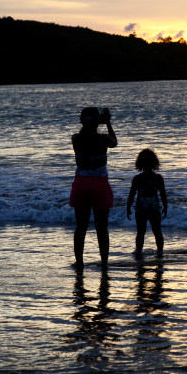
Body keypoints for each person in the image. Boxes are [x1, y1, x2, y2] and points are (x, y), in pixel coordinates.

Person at [69, 107, 117, 269]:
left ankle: (79, 262)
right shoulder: (103, 139)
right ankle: (104, 262)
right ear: (97, 122)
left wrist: (91, 121)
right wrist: (108, 122)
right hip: (100, 185)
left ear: (82, 121)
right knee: (101, 227)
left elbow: (83, 132)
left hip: (81, 184)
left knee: (80, 227)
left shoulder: (76, 139)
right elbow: (114, 142)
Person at [126, 149, 168, 256]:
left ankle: (139, 252)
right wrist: (165, 206)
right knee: (157, 231)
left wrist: (128, 207)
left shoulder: (137, 179)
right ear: (155, 162)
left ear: (139, 163)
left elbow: (131, 195)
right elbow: (163, 194)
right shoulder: (158, 178)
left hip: (141, 207)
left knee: (140, 232)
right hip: (154, 207)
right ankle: (160, 252)